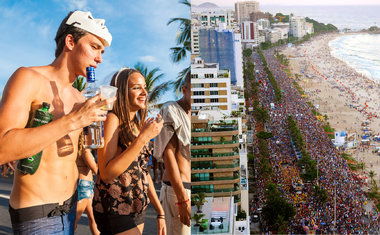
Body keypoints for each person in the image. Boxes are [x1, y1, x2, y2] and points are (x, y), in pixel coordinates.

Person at [0, 10, 114, 234]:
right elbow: (2, 147)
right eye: (94, 47)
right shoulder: (28, 78)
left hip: (70, 208)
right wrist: (73, 120)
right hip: (38, 215)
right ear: (70, 41)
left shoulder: (80, 97)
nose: (100, 58)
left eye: (102, 51)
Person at [93, 68, 166, 235]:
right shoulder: (112, 119)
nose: (144, 92)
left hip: (136, 208)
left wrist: (160, 211)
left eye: (145, 87)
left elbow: (142, 170)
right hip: (115, 209)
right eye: (136, 88)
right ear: (122, 92)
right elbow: (106, 173)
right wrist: (143, 138)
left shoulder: (136, 125)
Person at [154, 73, 191, 235]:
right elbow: (168, 155)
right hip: (179, 192)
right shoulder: (171, 110)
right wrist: (182, 200)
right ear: (184, 90)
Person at [75, 133, 100, 235]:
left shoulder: (82, 150)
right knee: (74, 221)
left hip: (86, 185)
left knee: (93, 219)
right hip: (83, 186)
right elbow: (96, 170)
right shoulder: (85, 151)